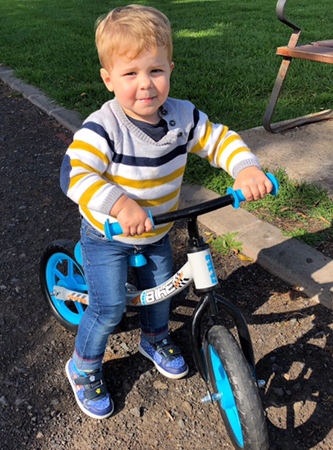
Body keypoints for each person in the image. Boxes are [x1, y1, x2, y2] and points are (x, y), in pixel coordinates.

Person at [59, 4, 273, 419]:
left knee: (164, 291)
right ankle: (83, 367)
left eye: (155, 70)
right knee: (109, 308)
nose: (145, 84)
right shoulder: (104, 127)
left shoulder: (182, 116)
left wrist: (246, 168)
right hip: (108, 234)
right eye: (130, 73)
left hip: (157, 229)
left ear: (170, 69)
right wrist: (119, 203)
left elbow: (218, 139)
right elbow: (74, 173)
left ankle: (154, 338)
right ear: (108, 79)